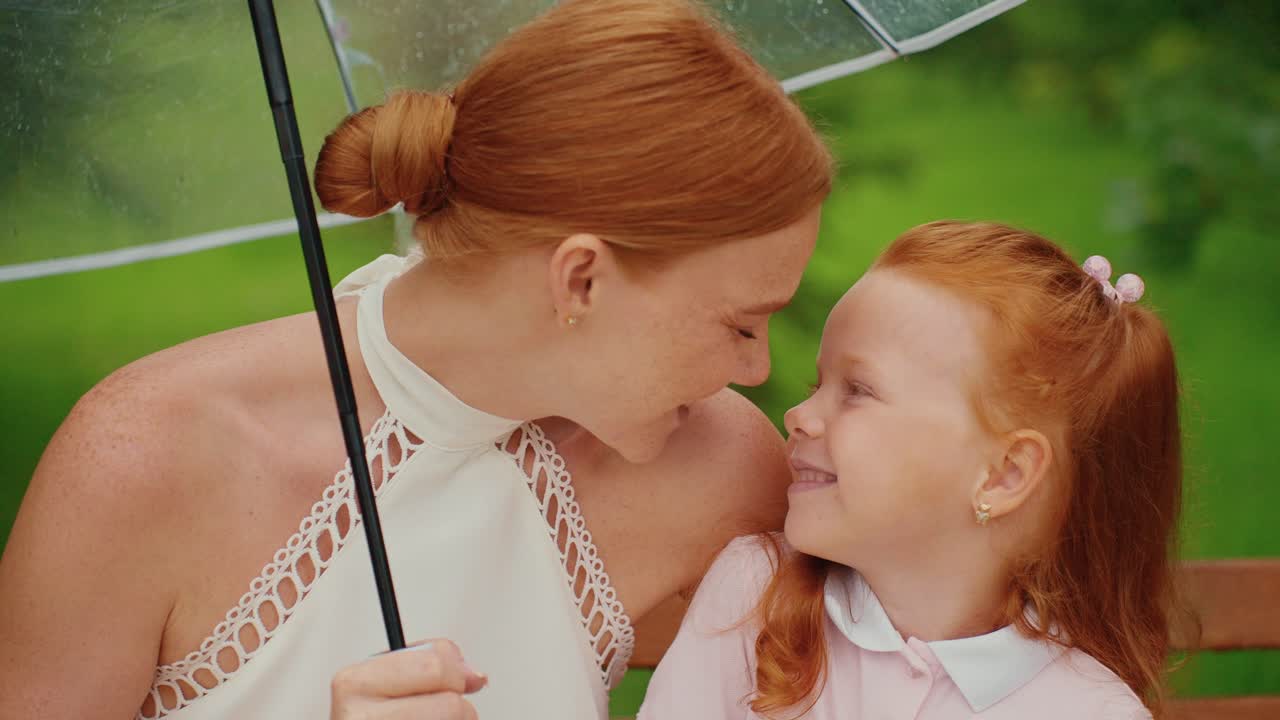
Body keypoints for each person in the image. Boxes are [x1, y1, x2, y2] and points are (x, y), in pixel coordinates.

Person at [0, 1, 832, 718]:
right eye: (740, 326)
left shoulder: (722, 470)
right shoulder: (143, 459)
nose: (758, 371)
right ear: (580, 278)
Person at [638, 222, 1182, 719]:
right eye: (818, 384)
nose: (800, 416)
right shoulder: (754, 595)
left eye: (857, 391)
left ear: (1004, 475)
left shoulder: (1089, 710)